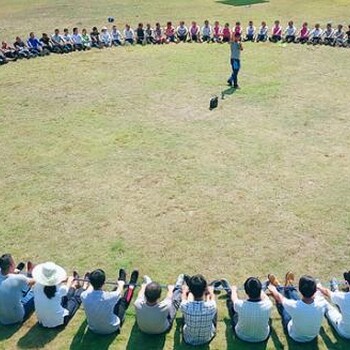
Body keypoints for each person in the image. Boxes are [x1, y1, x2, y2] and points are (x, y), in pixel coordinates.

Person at [268, 272, 329, 343]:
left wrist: (274, 290)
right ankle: (289, 285)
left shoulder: (294, 306)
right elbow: (322, 294)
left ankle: (278, 286)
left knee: (284, 308)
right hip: (312, 336)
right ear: (315, 290)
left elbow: (280, 298)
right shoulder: (322, 302)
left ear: (299, 289)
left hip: (294, 335)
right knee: (295, 302)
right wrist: (319, 287)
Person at [81, 268, 139, 334]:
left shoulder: (83, 295)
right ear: (104, 283)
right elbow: (119, 292)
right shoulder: (108, 297)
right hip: (112, 328)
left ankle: (124, 280)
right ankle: (131, 286)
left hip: (93, 328)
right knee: (122, 302)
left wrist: (92, 280)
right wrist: (121, 283)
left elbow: (89, 289)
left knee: (112, 299)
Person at [32, 262, 89, 328]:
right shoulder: (59, 289)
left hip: (42, 321)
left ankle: (75, 285)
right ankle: (84, 286)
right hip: (59, 321)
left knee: (64, 297)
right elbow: (65, 289)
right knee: (74, 300)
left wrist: (61, 280)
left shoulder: (36, 286)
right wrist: (70, 281)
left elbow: (59, 289)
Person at [222, 277, 272, 343]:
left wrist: (233, 290)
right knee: (268, 319)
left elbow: (234, 298)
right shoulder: (268, 304)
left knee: (232, 306)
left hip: (241, 336)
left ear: (246, 291)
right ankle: (263, 286)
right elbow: (264, 297)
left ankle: (229, 291)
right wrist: (260, 289)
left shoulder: (240, 305)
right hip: (262, 337)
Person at [180, 274, 217, 346]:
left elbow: (183, 298)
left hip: (188, 339)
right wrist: (211, 291)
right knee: (214, 308)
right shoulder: (212, 306)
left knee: (185, 312)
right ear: (205, 289)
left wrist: (184, 291)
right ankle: (208, 287)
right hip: (207, 338)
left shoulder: (184, 305)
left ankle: (194, 286)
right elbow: (212, 298)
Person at [0, 254, 35, 325]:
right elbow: (33, 281)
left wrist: (14, 272)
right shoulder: (17, 279)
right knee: (34, 292)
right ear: (10, 266)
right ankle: (29, 273)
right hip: (17, 318)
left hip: (2, 319)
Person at [317, 271, 350, 339]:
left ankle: (334, 290)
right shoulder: (343, 297)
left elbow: (327, 292)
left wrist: (319, 287)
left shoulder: (344, 297)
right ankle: (335, 290)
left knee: (326, 306)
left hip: (345, 332)